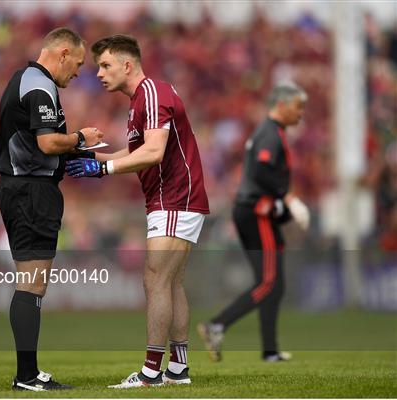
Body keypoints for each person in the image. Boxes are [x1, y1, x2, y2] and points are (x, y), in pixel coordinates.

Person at [66, 35, 210, 388]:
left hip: (175, 198)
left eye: (105, 65)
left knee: (155, 278)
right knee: (171, 282)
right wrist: (93, 158)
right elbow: (132, 153)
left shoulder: (151, 93)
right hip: (176, 199)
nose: (99, 73)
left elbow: (153, 153)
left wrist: (103, 171)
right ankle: (178, 369)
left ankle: (150, 374)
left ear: (127, 65)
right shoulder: (141, 99)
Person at [0, 27, 103, 391]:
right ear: (62, 53)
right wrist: (80, 139)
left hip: (24, 188)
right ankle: (26, 375)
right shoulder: (39, 85)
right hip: (30, 191)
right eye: (78, 63)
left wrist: (74, 151)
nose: (79, 71)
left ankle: (28, 372)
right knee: (32, 282)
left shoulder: (25, 80)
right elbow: (47, 141)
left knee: (31, 281)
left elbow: (38, 141)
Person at [197, 82, 310, 363]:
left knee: (275, 283)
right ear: (281, 105)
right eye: (298, 108)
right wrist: (289, 200)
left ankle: (270, 350)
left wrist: (283, 208)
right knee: (269, 283)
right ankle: (217, 325)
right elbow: (261, 171)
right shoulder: (271, 133)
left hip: (256, 211)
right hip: (257, 212)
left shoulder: (269, 132)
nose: (301, 114)